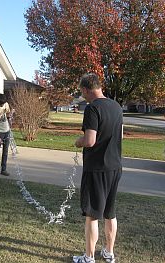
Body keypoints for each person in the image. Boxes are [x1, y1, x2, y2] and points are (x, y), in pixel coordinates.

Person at [73, 73, 123, 263]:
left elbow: (89, 140)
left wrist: (78, 142)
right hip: (115, 167)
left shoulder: (92, 109)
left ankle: (89, 257)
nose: (82, 96)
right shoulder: (116, 106)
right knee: (110, 212)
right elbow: (121, 136)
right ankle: (109, 253)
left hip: (97, 169)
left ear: (86, 89)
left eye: (82, 92)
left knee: (92, 214)